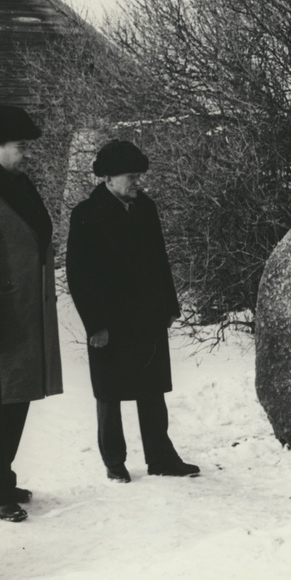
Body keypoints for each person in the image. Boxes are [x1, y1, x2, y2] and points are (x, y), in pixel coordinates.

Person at [66, 140, 200, 481]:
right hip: (109, 321)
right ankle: (114, 461)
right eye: (131, 176)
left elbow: (159, 260)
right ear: (109, 178)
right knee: (110, 394)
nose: (138, 182)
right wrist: (95, 325)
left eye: (139, 176)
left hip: (148, 316)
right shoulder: (86, 214)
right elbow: (79, 275)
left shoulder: (146, 208)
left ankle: (161, 458)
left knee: (152, 389)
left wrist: (169, 306)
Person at [0, 106, 64, 522]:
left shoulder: (14, 182)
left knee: (18, 398)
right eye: (20, 146)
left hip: (24, 313)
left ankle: (1, 477)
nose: (26, 154)